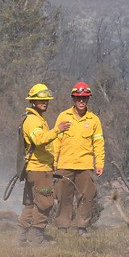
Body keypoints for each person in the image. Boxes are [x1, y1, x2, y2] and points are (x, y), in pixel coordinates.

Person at [18, 84, 71, 244]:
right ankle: (36, 238)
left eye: (46, 100)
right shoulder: (33, 120)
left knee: (31, 204)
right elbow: (39, 140)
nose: (45, 103)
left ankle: (21, 237)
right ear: (33, 101)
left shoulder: (37, 119)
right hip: (39, 170)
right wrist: (57, 130)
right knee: (45, 202)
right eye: (41, 100)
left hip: (39, 168)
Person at [53, 82, 105, 235]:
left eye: (84, 98)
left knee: (86, 197)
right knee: (63, 197)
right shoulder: (63, 116)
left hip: (85, 166)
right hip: (65, 165)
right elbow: (56, 141)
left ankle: (82, 227)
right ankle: (62, 227)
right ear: (73, 99)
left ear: (88, 99)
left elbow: (98, 143)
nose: (81, 101)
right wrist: (53, 162)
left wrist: (99, 163)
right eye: (78, 98)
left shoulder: (94, 120)